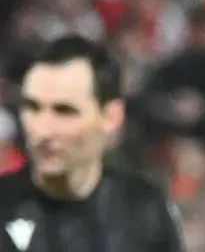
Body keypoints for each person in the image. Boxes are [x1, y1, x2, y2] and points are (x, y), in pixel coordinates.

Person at [0, 35, 183, 252]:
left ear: (111, 117)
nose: (43, 131)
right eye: (32, 107)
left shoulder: (145, 209)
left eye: (65, 111)